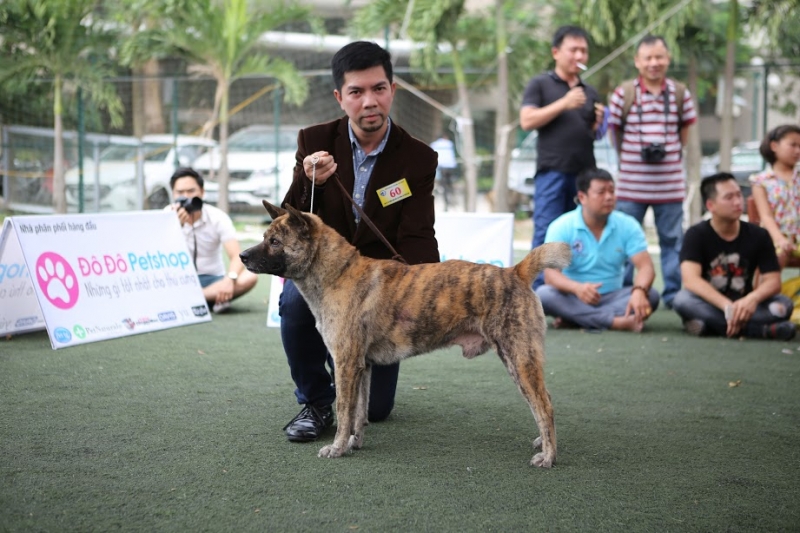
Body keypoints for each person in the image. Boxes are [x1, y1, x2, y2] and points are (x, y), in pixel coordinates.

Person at [278, 41, 440, 443]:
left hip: (381, 291)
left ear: (393, 90)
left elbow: (419, 235)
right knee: (294, 302)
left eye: (379, 88)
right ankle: (316, 401)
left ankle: (348, 375)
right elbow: (288, 219)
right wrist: (307, 181)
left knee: (378, 411)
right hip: (326, 279)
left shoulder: (418, 158)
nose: (370, 101)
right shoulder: (313, 141)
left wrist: (424, 289)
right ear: (340, 97)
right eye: (357, 91)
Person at [607, 35, 697, 309]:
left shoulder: (680, 93)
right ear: (637, 61)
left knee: (673, 242)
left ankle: (672, 296)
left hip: (670, 185)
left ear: (668, 59)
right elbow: (614, 132)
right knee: (623, 242)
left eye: (659, 57)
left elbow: (684, 135)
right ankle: (623, 292)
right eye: (648, 58)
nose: (654, 63)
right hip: (631, 186)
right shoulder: (624, 93)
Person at [519, 25, 606, 288]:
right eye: (573, 49)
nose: (579, 54)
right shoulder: (541, 84)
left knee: (580, 235)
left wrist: (598, 124)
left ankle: (570, 290)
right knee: (546, 233)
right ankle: (534, 294)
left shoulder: (589, 91)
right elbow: (526, 120)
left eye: (584, 50)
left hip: (585, 175)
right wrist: (564, 103)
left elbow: (592, 134)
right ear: (556, 52)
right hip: (552, 172)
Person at [672, 173, 795, 340]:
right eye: (729, 197)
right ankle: (760, 331)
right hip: (711, 304)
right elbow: (691, 280)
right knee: (682, 300)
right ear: (711, 205)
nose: (737, 202)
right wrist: (727, 307)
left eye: (738, 195)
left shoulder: (759, 235)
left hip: (746, 306)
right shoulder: (696, 234)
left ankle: (709, 326)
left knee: (783, 305)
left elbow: (773, 282)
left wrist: (752, 299)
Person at [535, 168, 660, 332]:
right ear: (582, 197)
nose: (609, 197)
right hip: (574, 296)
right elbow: (551, 276)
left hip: (613, 296)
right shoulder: (561, 226)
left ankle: (576, 319)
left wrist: (639, 291)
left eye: (612, 191)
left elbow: (646, 267)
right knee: (544, 295)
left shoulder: (628, 225)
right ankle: (615, 322)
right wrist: (577, 288)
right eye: (601, 192)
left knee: (653, 296)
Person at [166, 167, 258, 312]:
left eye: (191, 191)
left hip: (213, 279)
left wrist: (230, 279)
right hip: (178, 280)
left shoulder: (217, 217)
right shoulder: (166, 216)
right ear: (173, 194)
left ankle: (192, 299)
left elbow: (236, 256)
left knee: (250, 276)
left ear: (202, 192)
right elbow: (157, 255)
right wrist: (175, 227)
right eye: (180, 193)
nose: (186, 197)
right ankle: (211, 299)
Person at [749, 124, 800, 268]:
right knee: (777, 254)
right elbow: (766, 216)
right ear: (774, 146)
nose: (797, 151)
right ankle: (768, 289)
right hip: (774, 238)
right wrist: (780, 240)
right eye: (793, 145)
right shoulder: (761, 180)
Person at [429, 132, 458, 210]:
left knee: (443, 186)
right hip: (450, 167)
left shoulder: (434, 144)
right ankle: (454, 200)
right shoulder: (449, 143)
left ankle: (446, 204)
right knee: (450, 184)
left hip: (441, 167)